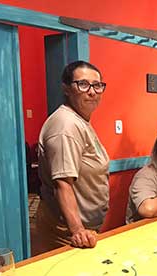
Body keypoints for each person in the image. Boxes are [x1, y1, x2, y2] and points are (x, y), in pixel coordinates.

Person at [36, 61, 109, 254]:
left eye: (97, 85)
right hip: (67, 231)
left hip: (86, 227)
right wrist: (77, 231)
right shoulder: (65, 125)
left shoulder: (80, 121)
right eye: (83, 84)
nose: (92, 92)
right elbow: (63, 183)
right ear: (67, 89)